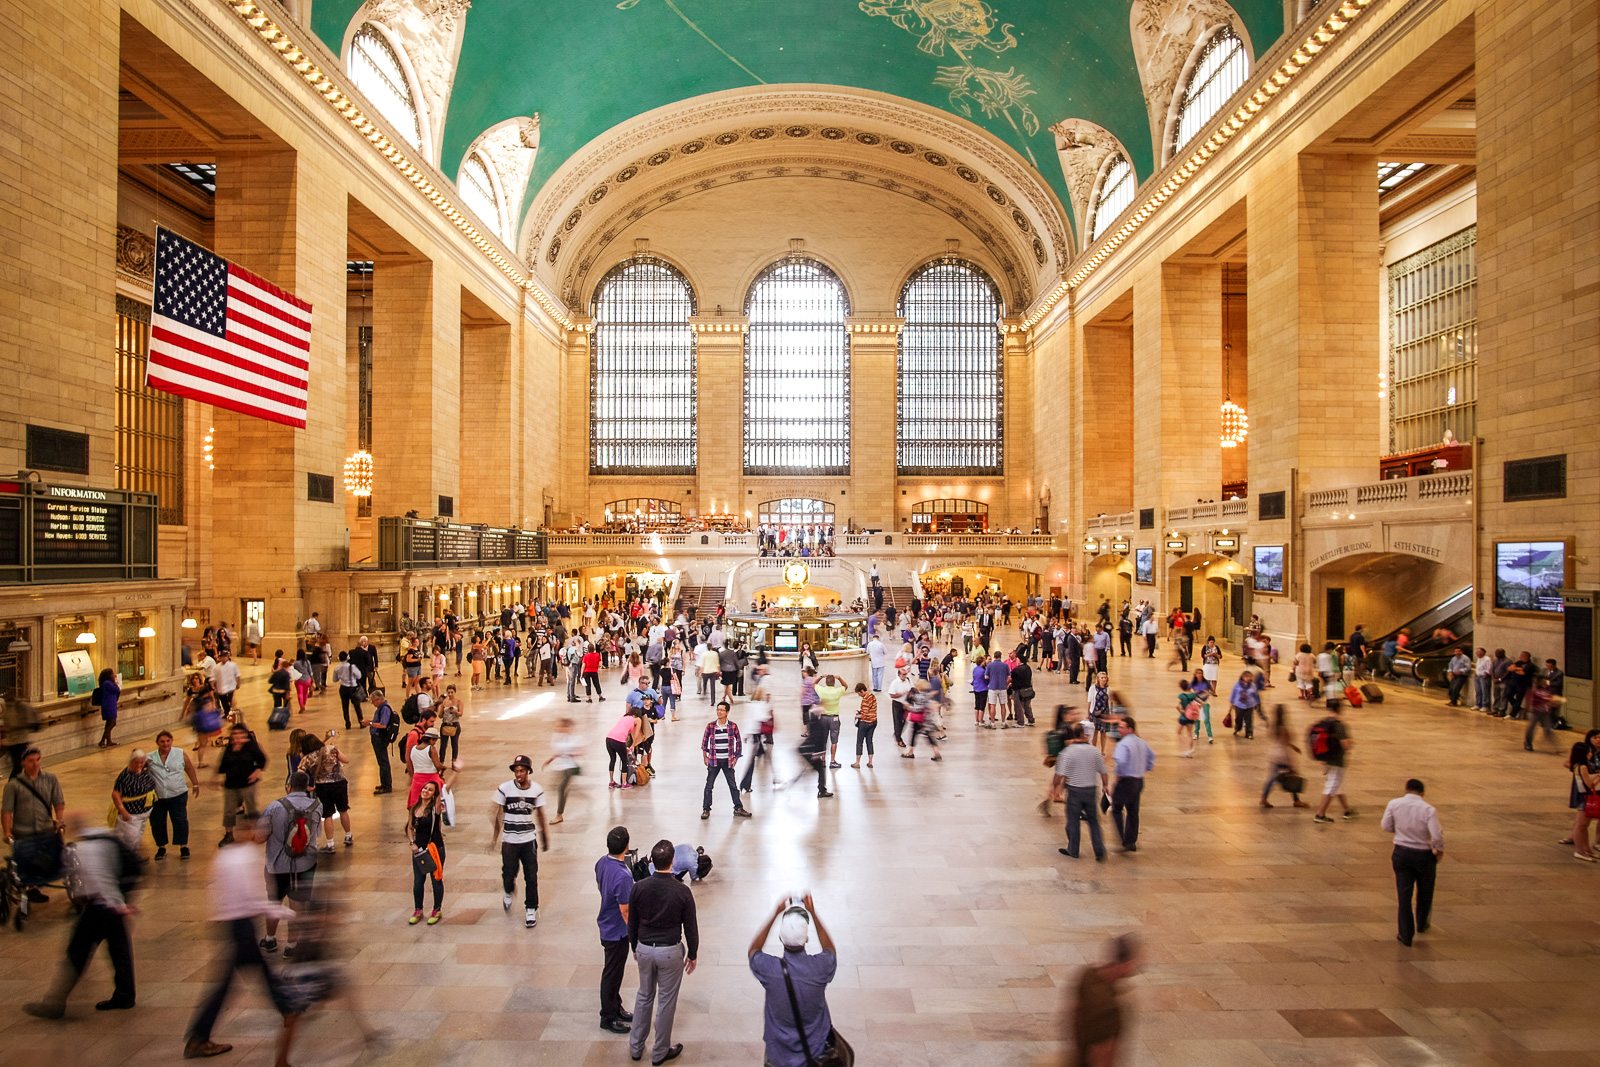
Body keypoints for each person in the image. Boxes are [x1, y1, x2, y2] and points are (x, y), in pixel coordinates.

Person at [182, 808, 299, 1061]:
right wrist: (284, 912)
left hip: (229, 923)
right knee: (249, 979)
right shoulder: (246, 856)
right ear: (252, 830)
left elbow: (214, 888)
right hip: (241, 925)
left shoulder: (225, 854)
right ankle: (288, 1010)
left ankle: (286, 1009)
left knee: (239, 980)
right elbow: (252, 898)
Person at [23, 812, 141, 1018]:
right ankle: (125, 995)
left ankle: (55, 1003)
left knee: (77, 951)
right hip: (114, 904)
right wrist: (123, 903)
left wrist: (117, 905)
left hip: (101, 906)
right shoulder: (107, 836)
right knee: (119, 950)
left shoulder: (84, 849)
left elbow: (98, 881)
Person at [748, 894, 841, 1067]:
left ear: (781, 939)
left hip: (778, 1054)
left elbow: (754, 950)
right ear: (806, 939)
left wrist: (775, 913)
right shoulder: (819, 968)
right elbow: (830, 950)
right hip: (816, 1050)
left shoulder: (769, 970)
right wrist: (813, 912)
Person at [629, 838, 698, 1066]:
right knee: (666, 1001)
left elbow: (633, 922)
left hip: (645, 948)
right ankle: (659, 1052)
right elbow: (690, 927)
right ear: (673, 861)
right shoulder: (682, 891)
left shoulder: (639, 887)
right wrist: (693, 954)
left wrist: (634, 947)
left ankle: (636, 1047)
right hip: (670, 950)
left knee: (644, 995)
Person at [259, 772, 320, 955]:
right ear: (309, 787)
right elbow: (316, 834)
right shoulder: (317, 806)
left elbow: (260, 836)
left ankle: (270, 939)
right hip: (306, 863)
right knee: (299, 903)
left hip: (277, 864)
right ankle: (292, 945)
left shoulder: (275, 807)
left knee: (274, 902)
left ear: (289, 786)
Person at [490, 753, 550, 929]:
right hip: (509, 840)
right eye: (516, 771)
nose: (518, 774)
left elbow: (540, 814)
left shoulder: (536, 790)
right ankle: (508, 891)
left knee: (531, 876)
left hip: (528, 840)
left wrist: (545, 836)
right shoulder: (505, 788)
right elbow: (498, 813)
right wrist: (494, 838)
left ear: (528, 771)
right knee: (508, 874)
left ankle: (531, 908)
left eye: (522, 771)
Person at [1380, 778, 1443, 946]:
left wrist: (1400, 831)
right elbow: (1436, 835)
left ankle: (1405, 934)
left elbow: (1385, 826)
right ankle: (1422, 923)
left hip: (1402, 853)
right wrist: (1439, 850)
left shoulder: (1394, 804)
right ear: (1422, 793)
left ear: (1406, 789)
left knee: (1404, 894)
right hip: (1424, 855)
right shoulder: (1428, 809)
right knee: (1425, 891)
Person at [2, 746, 66, 902]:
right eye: (31, 761)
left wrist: (59, 819)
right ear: (23, 763)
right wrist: (7, 832)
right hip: (24, 832)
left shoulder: (51, 779)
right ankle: (32, 887)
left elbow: (58, 802)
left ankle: (40, 881)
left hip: (46, 829)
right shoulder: (13, 785)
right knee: (27, 862)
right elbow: (6, 811)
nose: (35, 764)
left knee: (51, 858)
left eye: (38, 760)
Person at [1067, 934, 1141, 1067]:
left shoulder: (1087, 975)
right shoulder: (1109, 1009)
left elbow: (1074, 1012)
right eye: (1134, 962)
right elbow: (1102, 1056)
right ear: (1124, 965)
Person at [595, 825, 637, 1035]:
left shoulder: (602, 863)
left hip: (606, 923)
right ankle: (608, 1016)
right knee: (612, 974)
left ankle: (616, 1005)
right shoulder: (623, 876)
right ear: (626, 846)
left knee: (615, 972)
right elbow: (626, 911)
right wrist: (635, 938)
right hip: (616, 932)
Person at [1055, 724, 1109, 861]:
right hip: (1091, 790)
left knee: (1073, 822)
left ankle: (1073, 849)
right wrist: (1106, 785)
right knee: (1093, 822)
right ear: (1085, 735)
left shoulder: (1067, 752)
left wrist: (1057, 787)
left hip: (1074, 791)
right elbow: (1103, 771)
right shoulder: (1094, 751)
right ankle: (1100, 851)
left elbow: (1059, 774)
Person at [406, 775, 453, 926]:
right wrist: (412, 843)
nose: (426, 791)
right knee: (418, 881)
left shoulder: (435, 808)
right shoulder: (414, 808)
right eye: (425, 788)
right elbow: (409, 827)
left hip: (435, 849)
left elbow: (445, 790)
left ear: (434, 794)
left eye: (430, 790)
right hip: (419, 850)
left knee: (436, 879)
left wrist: (455, 773)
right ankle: (418, 909)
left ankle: (436, 909)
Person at [148, 728, 200, 860]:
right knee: (157, 822)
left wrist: (195, 783)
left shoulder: (180, 754)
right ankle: (161, 847)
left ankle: (183, 846)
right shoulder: (150, 758)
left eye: (168, 741)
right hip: (158, 796)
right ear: (157, 743)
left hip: (178, 793)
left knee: (180, 820)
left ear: (171, 741)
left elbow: (189, 768)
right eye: (162, 741)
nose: (165, 744)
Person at [297, 732, 352, 851]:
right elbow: (346, 760)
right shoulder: (331, 749)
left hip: (322, 787)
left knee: (327, 815)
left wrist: (307, 787)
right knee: (343, 810)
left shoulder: (307, 758)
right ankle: (348, 835)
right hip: (339, 783)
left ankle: (330, 843)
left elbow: (299, 774)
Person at [215, 724, 266, 848]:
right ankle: (229, 834)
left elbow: (262, 760)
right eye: (235, 734)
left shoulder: (251, 746)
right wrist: (216, 777)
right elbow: (222, 764)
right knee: (229, 810)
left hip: (247, 783)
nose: (237, 737)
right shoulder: (229, 747)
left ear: (245, 734)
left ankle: (255, 832)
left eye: (240, 734)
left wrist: (257, 771)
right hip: (231, 784)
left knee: (251, 808)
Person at [701, 700, 752, 820]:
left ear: (727, 712)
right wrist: (705, 757)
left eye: (722, 710)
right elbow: (704, 742)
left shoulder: (733, 726)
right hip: (714, 761)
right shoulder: (711, 726)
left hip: (727, 761)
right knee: (709, 786)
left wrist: (736, 758)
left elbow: (738, 742)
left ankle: (738, 808)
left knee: (733, 786)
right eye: (718, 709)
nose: (719, 712)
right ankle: (706, 809)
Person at [1110, 717, 1153, 853]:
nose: (1119, 729)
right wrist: (1143, 769)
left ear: (1130, 729)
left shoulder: (1123, 744)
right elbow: (1151, 758)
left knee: (1116, 808)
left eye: (1122, 727)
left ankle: (1123, 837)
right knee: (1133, 811)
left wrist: (1117, 779)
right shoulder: (1142, 743)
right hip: (1138, 781)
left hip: (1126, 781)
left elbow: (1121, 763)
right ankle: (1131, 841)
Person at [1311, 706, 1357, 823]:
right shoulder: (1339, 725)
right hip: (1336, 760)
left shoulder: (1324, 723)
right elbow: (1345, 745)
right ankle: (1320, 814)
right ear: (1340, 709)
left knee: (1336, 785)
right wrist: (1350, 743)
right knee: (1332, 786)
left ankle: (1347, 810)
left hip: (1326, 759)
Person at [1261, 706, 1309, 809]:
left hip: (1273, 754)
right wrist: (1292, 763)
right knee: (1292, 777)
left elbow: (1279, 741)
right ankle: (1296, 801)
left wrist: (1292, 746)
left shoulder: (1272, 727)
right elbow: (1285, 744)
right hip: (1283, 756)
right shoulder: (1284, 729)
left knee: (1272, 778)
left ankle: (1264, 798)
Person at [110, 749, 157, 851]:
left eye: (141, 762)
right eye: (137, 762)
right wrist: (122, 811)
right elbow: (115, 794)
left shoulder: (144, 770)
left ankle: (134, 856)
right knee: (129, 839)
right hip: (131, 814)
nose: (139, 765)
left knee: (137, 837)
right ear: (131, 761)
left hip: (144, 812)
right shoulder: (125, 776)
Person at [1568, 730, 1600, 862]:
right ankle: (1580, 850)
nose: (1591, 753)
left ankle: (1586, 850)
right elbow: (1589, 783)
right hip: (1585, 798)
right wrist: (1598, 777)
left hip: (1583, 797)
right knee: (1581, 825)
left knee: (1584, 826)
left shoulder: (1581, 765)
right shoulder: (1582, 767)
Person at [543, 717, 581, 824]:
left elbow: (579, 751)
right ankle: (570, 792)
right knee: (558, 787)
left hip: (569, 767)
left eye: (561, 726)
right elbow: (558, 752)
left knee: (561, 789)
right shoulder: (557, 737)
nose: (558, 728)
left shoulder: (574, 738)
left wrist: (570, 754)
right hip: (561, 766)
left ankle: (559, 815)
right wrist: (549, 760)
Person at [813, 672, 848, 768]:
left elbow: (814, 683)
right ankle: (832, 761)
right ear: (834, 683)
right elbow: (845, 686)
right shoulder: (837, 691)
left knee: (823, 740)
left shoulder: (822, 690)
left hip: (823, 718)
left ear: (826, 682)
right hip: (834, 718)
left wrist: (820, 676)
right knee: (834, 741)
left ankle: (823, 760)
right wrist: (839, 677)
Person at [367, 688, 395, 795]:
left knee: (383, 762)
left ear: (379, 699)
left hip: (380, 738)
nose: (373, 704)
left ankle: (387, 786)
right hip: (377, 737)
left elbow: (383, 725)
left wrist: (369, 723)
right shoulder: (381, 708)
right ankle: (384, 783)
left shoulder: (385, 709)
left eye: (373, 701)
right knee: (381, 762)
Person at [332, 651, 363, 730]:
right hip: (352, 688)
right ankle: (361, 722)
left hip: (343, 688)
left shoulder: (337, 668)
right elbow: (359, 676)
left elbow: (334, 680)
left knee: (345, 706)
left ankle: (347, 723)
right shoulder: (352, 667)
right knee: (357, 706)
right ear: (347, 657)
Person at [850, 682, 878, 769]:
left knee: (859, 742)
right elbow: (869, 710)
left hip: (865, 723)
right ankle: (870, 762)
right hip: (873, 722)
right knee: (869, 741)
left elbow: (864, 714)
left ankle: (857, 763)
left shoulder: (865, 699)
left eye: (859, 693)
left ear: (862, 691)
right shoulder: (872, 696)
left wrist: (857, 715)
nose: (859, 695)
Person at [1229, 670, 1261, 740]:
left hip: (1249, 705)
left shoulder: (1253, 685)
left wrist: (1257, 703)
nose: (1247, 678)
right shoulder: (1237, 685)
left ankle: (1249, 733)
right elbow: (1233, 694)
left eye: (1249, 677)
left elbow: (1256, 695)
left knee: (1248, 720)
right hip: (1239, 705)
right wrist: (1232, 703)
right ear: (1242, 677)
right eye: (1246, 677)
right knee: (1239, 719)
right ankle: (1237, 728)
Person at [93, 668, 121, 748]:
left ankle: (109, 741)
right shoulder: (107, 683)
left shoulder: (107, 683)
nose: (114, 675)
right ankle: (102, 741)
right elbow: (116, 689)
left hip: (111, 704)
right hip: (108, 706)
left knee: (109, 723)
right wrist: (116, 682)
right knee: (112, 723)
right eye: (112, 674)